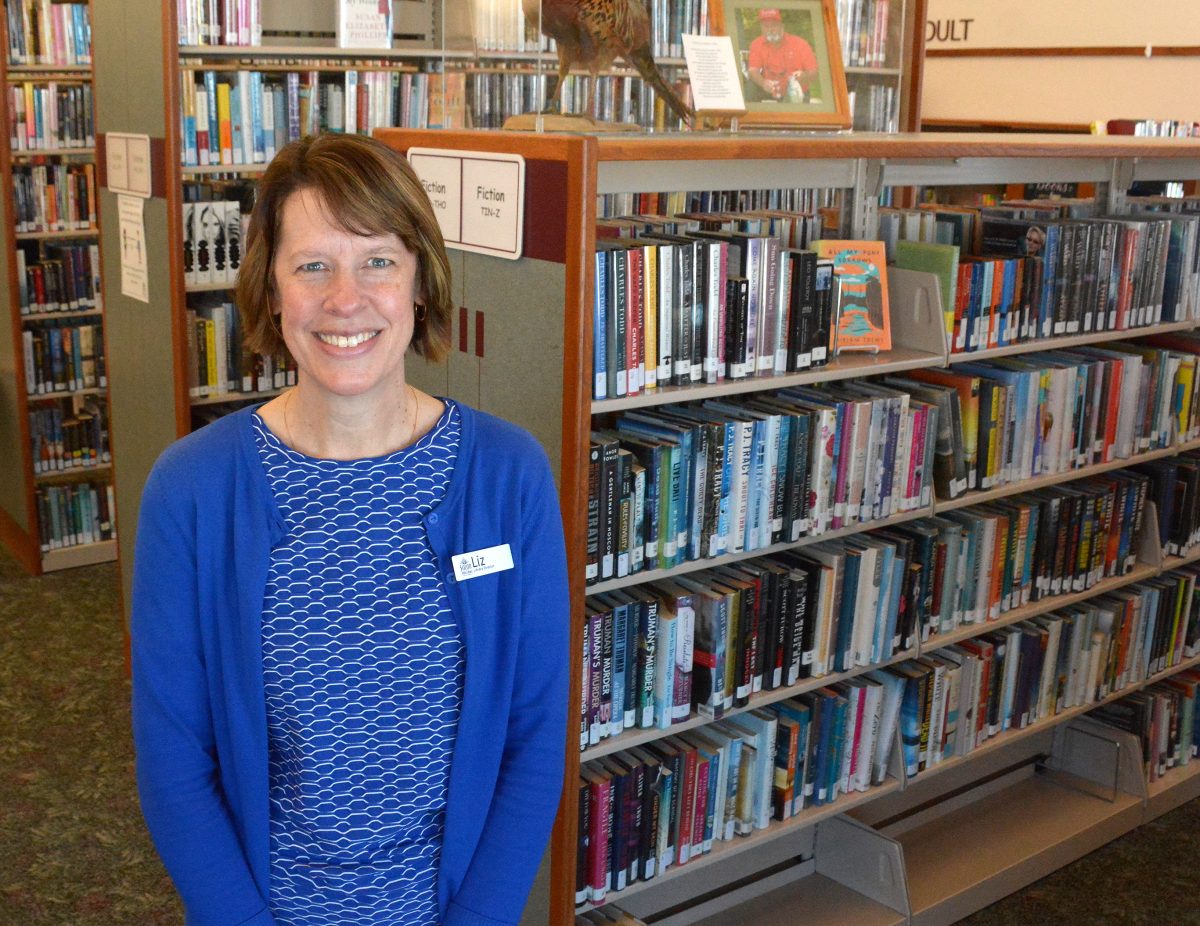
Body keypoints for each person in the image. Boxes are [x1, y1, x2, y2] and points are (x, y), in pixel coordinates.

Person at [131, 132, 570, 926]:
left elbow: (534, 737)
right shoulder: (191, 492)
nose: (345, 298)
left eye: (377, 260)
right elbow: (173, 766)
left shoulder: (508, 477)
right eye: (311, 266)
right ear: (270, 290)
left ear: (421, 285)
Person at [746, 8, 818, 103]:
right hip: (770, 89)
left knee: (797, 108)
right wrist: (763, 83)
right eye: (766, 26)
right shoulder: (756, 44)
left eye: (774, 25)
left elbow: (814, 73)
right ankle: (752, 117)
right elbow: (753, 71)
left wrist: (803, 76)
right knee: (750, 86)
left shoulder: (800, 44)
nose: (770, 30)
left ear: (782, 26)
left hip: (795, 90)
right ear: (761, 28)